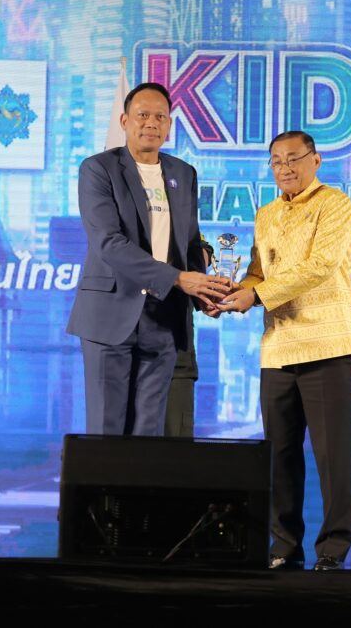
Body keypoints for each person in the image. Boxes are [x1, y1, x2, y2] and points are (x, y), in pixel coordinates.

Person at [219, 130, 351, 572]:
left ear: (315, 160)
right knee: (279, 454)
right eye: (277, 161)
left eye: (294, 158)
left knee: (332, 456)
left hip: (327, 345)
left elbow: (320, 266)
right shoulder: (265, 214)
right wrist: (227, 293)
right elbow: (257, 272)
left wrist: (256, 295)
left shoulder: (335, 203)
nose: (285, 168)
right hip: (278, 348)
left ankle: (333, 548)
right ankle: (284, 545)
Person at [67, 83, 228, 436]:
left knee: (148, 434)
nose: (151, 123)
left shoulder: (183, 173)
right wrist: (177, 279)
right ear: (125, 121)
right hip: (110, 314)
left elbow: (189, 241)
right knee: (107, 432)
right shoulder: (98, 169)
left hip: (165, 318)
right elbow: (108, 242)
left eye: (160, 116)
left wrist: (204, 293)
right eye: (142, 115)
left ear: (169, 125)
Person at [165, 238, 215, 438]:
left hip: (177, 347)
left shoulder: (182, 219)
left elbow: (202, 248)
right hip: (128, 346)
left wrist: (195, 266)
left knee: (177, 445)